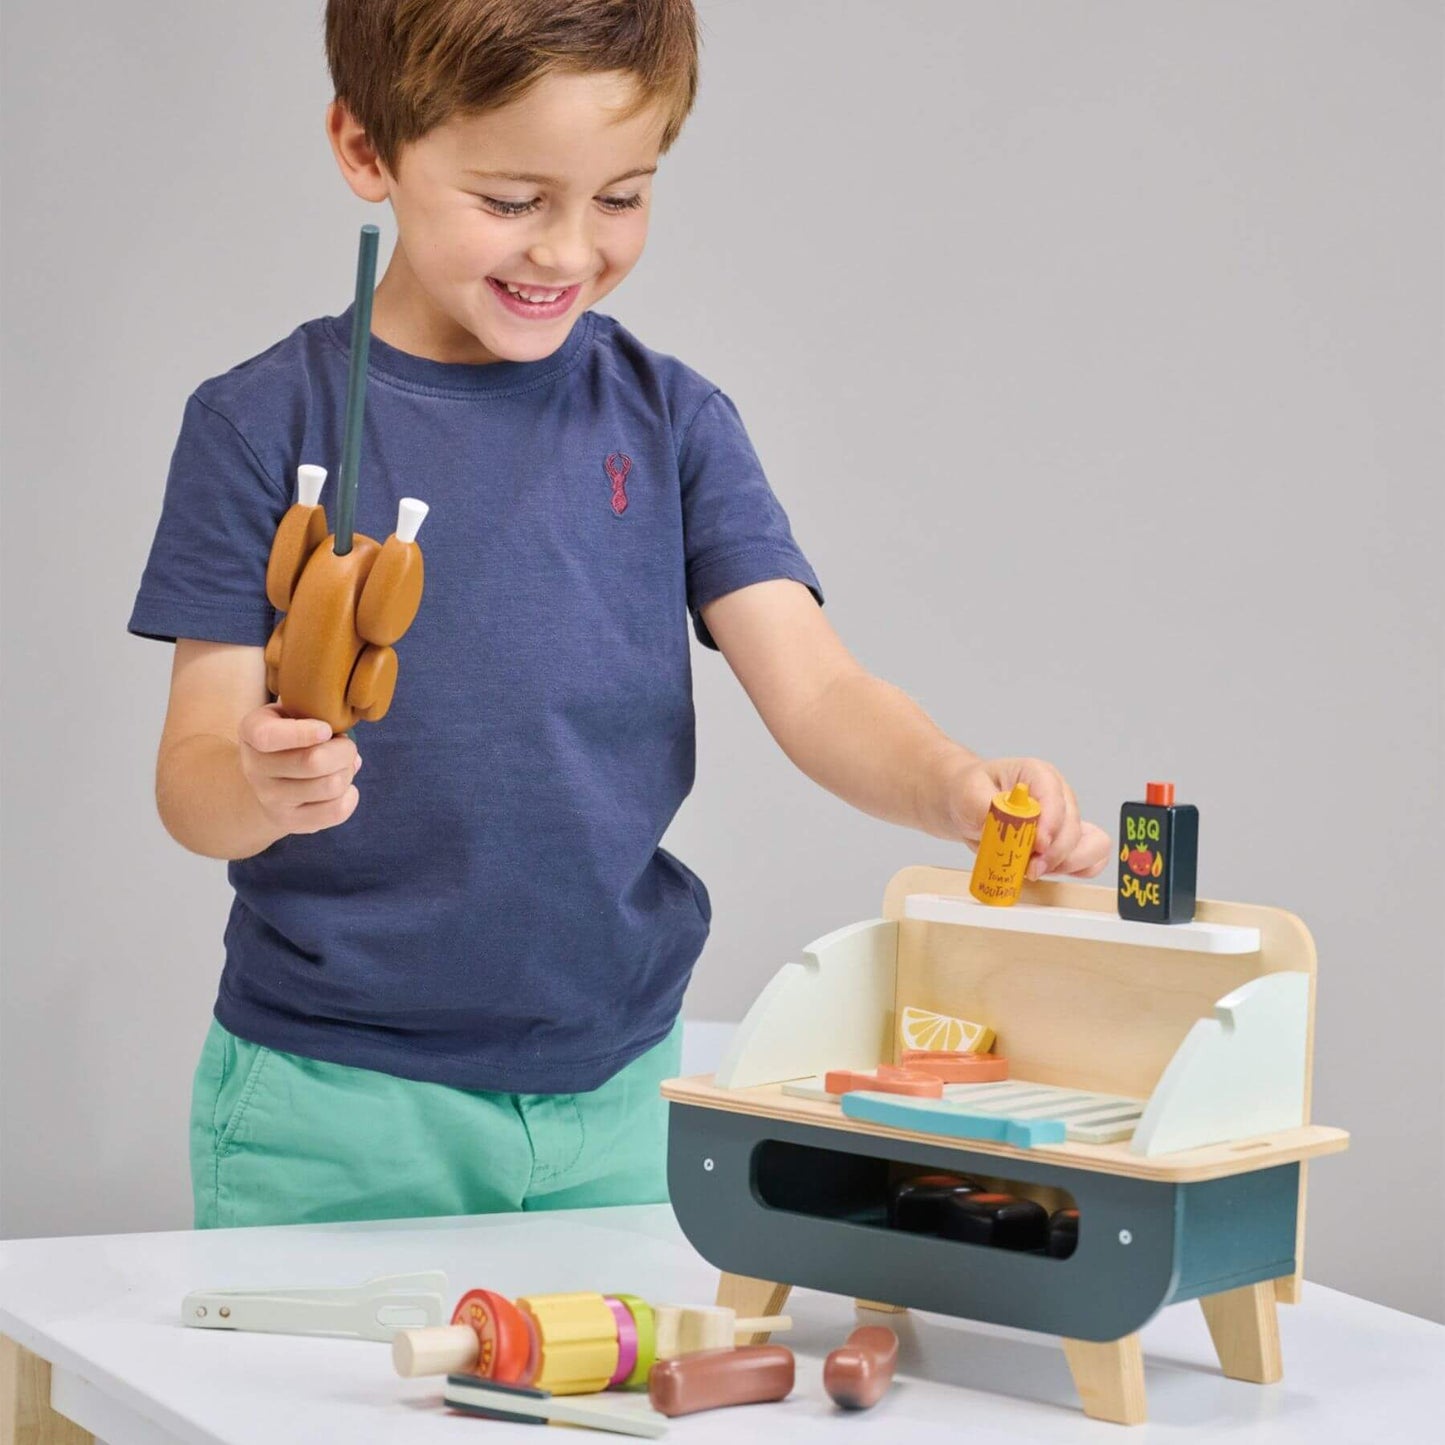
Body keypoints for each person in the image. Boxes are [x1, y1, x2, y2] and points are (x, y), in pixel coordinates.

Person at [129, 0, 1110, 1230]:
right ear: (366, 148)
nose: (566, 251)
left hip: (620, 1089)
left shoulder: (671, 420)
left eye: (620, 197)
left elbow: (817, 689)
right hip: (335, 1100)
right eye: (511, 200)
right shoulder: (258, 423)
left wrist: (953, 783)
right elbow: (192, 777)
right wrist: (258, 783)